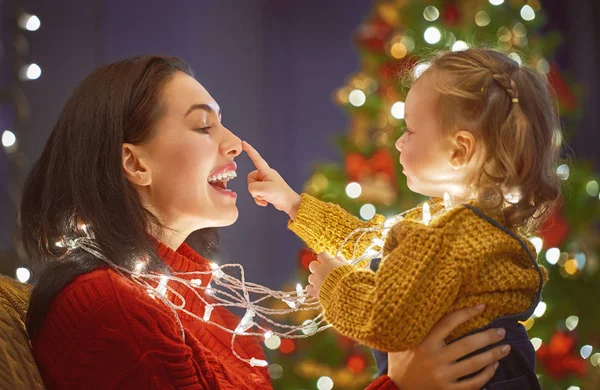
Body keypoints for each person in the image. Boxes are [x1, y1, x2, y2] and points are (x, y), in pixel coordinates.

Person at [20, 55, 507, 389]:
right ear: (135, 164)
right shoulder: (111, 307)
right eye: (203, 125)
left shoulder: (184, 298)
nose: (233, 143)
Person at [244, 48, 561, 389]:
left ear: (459, 150)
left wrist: (334, 286)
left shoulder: (449, 239)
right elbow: (370, 243)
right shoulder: (472, 226)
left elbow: (387, 321)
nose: (397, 142)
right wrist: (294, 204)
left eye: (409, 130)